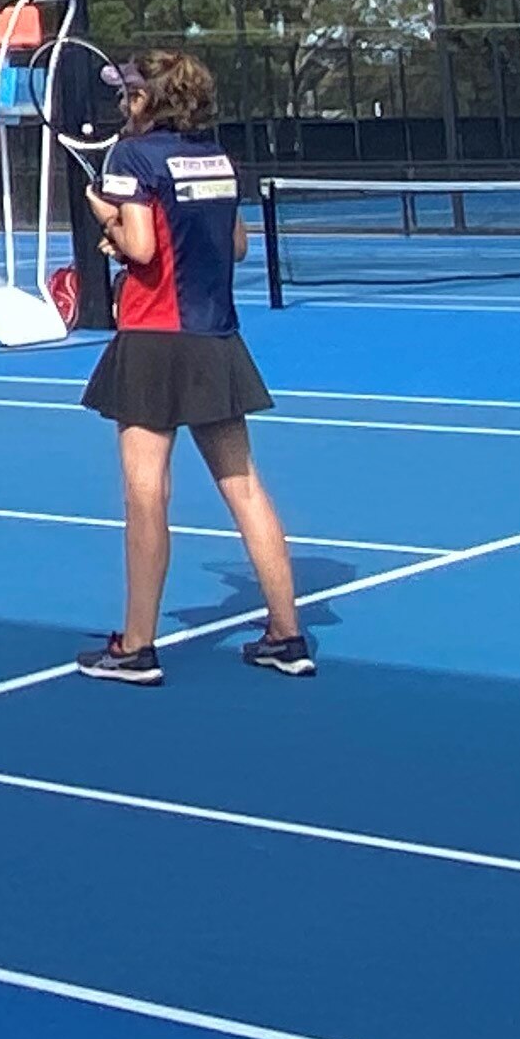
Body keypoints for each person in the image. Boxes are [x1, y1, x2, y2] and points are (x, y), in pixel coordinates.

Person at [71, 49, 312, 685]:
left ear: (151, 98)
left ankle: (136, 647)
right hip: (216, 337)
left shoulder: (131, 156)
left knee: (145, 493)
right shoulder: (216, 158)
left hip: (154, 338)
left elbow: (144, 248)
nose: (123, 103)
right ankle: (288, 635)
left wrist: (109, 223)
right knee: (245, 486)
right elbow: (234, 242)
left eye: (129, 93)